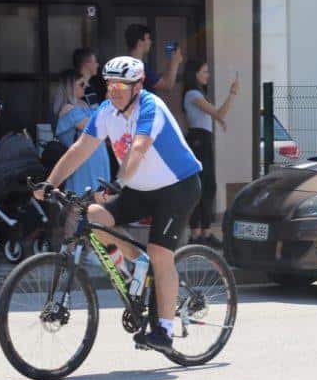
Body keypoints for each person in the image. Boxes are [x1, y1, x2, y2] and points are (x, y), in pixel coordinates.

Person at [37, 56, 202, 353]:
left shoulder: (151, 107)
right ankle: (137, 261)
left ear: (138, 86)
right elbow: (81, 148)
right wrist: (51, 182)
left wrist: (118, 181)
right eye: (110, 84)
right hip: (139, 188)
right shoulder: (106, 111)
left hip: (176, 187)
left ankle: (164, 331)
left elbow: (138, 148)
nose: (114, 90)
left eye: (121, 85)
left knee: (160, 254)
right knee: (93, 216)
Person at [182, 59, 239, 247]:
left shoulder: (199, 94)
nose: (208, 75)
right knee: (200, 186)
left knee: (208, 186)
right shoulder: (192, 94)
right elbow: (218, 113)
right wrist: (232, 93)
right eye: (204, 71)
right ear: (195, 74)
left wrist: (220, 120)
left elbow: (214, 116)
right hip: (198, 141)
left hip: (203, 140)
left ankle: (205, 233)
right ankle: (196, 234)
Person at [53, 68, 111, 195]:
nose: (86, 86)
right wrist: (109, 103)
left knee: (99, 198)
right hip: (84, 162)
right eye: (81, 84)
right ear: (70, 87)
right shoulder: (68, 109)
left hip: (96, 157)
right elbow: (94, 126)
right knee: (84, 198)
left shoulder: (83, 104)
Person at [125, 23, 182, 93]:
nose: (150, 42)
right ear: (140, 42)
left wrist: (171, 61)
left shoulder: (125, 64)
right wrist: (175, 61)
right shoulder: (140, 67)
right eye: (148, 38)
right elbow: (167, 85)